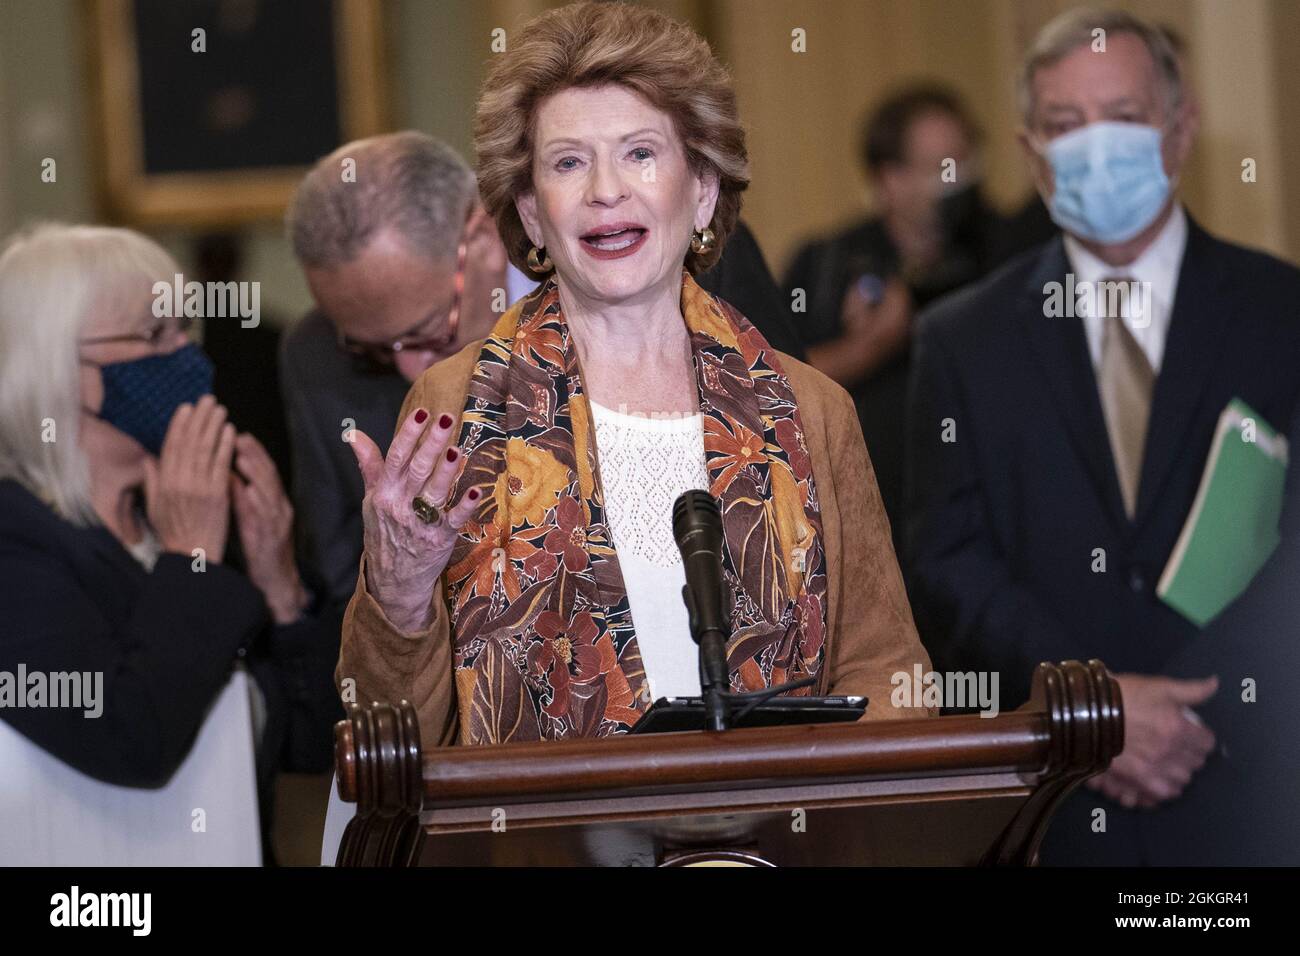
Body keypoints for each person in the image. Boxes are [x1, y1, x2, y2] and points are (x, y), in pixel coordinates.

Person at [337, 0, 933, 748]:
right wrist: (398, 593)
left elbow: (889, 671)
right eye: (568, 162)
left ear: (704, 191)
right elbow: (386, 736)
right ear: (529, 211)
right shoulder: (455, 405)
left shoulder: (814, 408)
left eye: (640, 153)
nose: (605, 189)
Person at [904, 7, 1300, 864]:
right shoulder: (961, 338)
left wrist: (1197, 710)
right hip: (1052, 799)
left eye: (1122, 118)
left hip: (1253, 784)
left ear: (1183, 127)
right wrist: (1101, 709)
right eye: (1065, 126)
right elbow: (945, 556)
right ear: (1030, 151)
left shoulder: (1282, 312)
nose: (1096, 146)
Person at [282, 132, 803, 612]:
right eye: (368, 348)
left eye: (426, 330)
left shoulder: (677, 259)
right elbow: (345, 582)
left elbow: (796, 464)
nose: (406, 366)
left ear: (483, 241)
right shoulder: (315, 358)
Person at [0, 223, 340, 861]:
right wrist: (190, 561)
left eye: (185, 329)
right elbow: (132, 739)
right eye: (156, 334)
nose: (191, 357)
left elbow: (311, 743)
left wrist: (281, 587)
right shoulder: (16, 551)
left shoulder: (175, 517)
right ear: (59, 370)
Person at [782, 85, 1004, 555]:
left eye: (963, 160)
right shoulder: (825, 266)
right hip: (868, 531)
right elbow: (775, 389)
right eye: (939, 167)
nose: (956, 179)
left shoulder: (1004, 251)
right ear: (889, 181)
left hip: (988, 523)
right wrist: (870, 346)